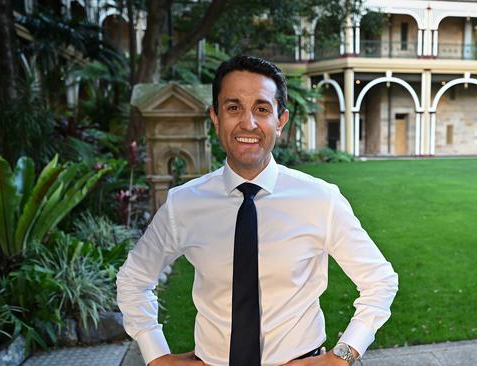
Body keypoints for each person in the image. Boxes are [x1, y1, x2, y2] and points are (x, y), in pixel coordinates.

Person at [116, 55, 398, 366]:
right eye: (233, 107)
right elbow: (133, 281)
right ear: (215, 116)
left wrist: (341, 356)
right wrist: (157, 355)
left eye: (261, 109)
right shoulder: (183, 204)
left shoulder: (320, 199)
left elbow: (380, 280)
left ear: (280, 120)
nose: (247, 123)